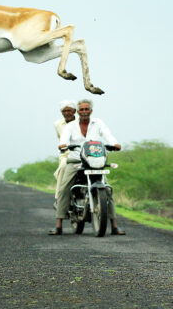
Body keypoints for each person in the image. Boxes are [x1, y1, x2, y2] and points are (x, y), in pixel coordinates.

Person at [49, 99, 126, 235]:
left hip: (95, 160)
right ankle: (58, 224)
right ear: (77, 112)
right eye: (82, 110)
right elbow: (64, 138)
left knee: (107, 190)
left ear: (91, 110)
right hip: (76, 159)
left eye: (87, 109)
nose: (84, 112)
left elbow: (107, 135)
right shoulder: (71, 126)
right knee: (64, 188)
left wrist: (115, 143)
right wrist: (63, 144)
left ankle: (114, 225)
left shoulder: (98, 123)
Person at [53, 100, 77, 202]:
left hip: (82, 153)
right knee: (63, 167)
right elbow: (60, 139)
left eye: (69, 110)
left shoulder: (82, 121)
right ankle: (59, 198)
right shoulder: (58, 124)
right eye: (64, 111)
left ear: (74, 111)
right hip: (66, 154)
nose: (67, 113)